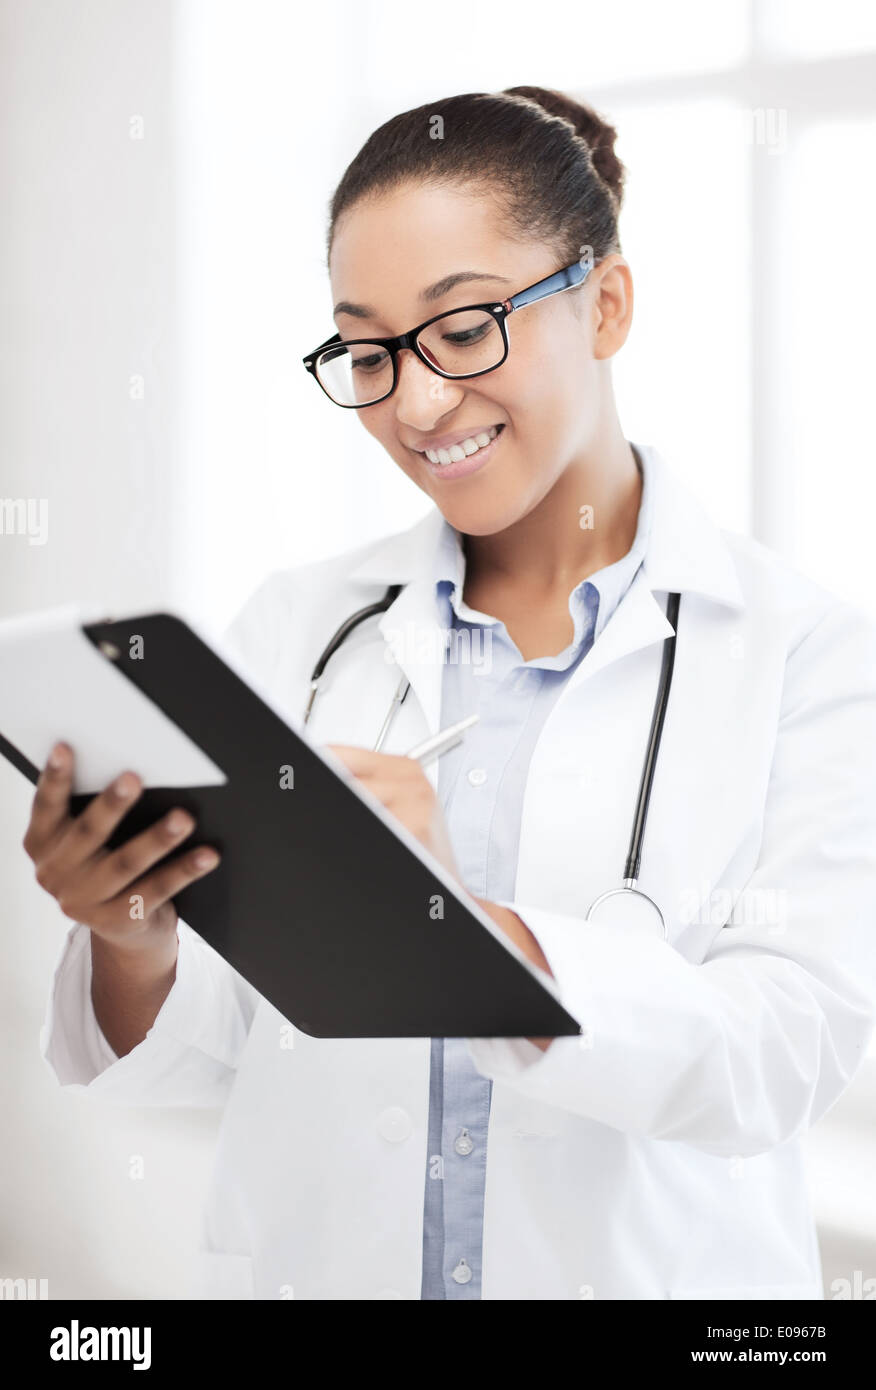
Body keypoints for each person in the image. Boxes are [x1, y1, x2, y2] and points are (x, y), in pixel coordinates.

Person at [27, 87, 876, 1300]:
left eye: (466, 327)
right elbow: (214, 1048)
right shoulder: (303, 627)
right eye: (368, 352)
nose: (417, 403)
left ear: (608, 303)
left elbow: (777, 1055)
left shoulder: (808, 655)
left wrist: (464, 932)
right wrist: (131, 929)